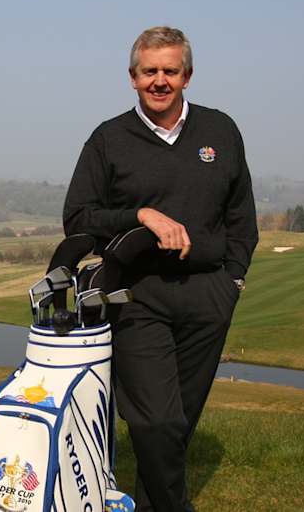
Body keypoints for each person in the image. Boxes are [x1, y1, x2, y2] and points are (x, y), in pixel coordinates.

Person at [62, 26, 258, 512]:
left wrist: (232, 281)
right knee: (154, 422)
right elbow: (78, 217)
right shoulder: (108, 139)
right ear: (132, 78)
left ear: (187, 76)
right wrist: (140, 215)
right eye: (149, 71)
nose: (160, 81)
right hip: (135, 294)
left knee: (178, 425)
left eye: (170, 71)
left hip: (207, 295)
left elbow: (242, 216)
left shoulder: (221, 131)